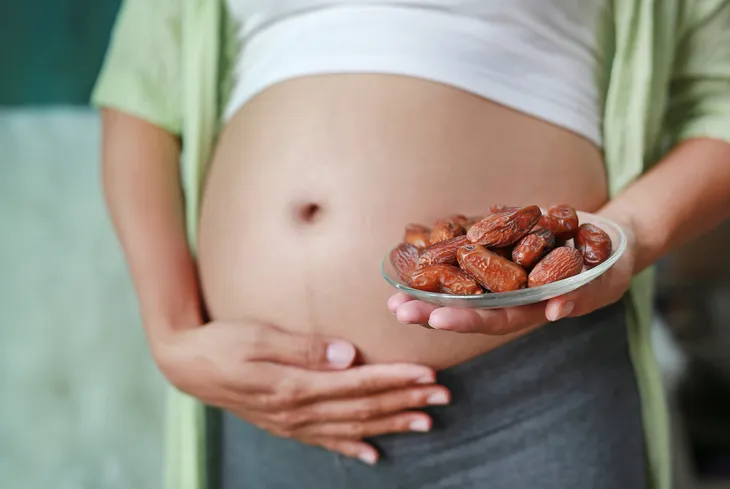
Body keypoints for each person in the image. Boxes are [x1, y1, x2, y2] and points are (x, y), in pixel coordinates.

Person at [92, 1, 730, 488]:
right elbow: (139, 98)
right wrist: (171, 334)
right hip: (264, 400)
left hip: (532, 395)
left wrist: (629, 239)